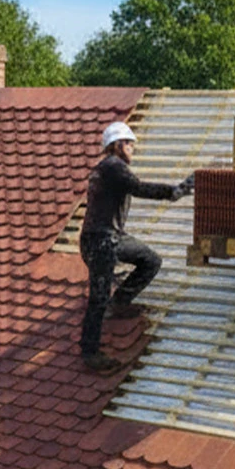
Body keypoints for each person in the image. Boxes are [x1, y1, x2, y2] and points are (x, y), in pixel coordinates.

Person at [79, 120, 191, 374]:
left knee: (150, 260)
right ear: (117, 145)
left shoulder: (108, 168)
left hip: (110, 238)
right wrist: (174, 191)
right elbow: (139, 188)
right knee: (97, 298)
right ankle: (89, 352)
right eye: (129, 143)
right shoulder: (112, 167)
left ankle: (119, 303)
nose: (133, 148)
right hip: (101, 243)